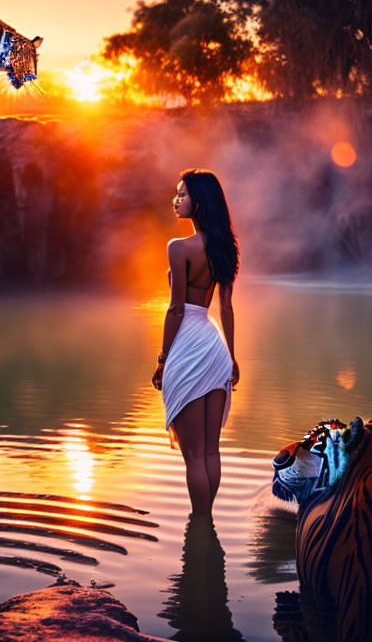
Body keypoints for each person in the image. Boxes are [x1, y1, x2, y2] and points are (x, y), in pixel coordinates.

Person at [152, 168, 240, 516]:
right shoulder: (225, 249)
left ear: (199, 201)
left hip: (187, 346)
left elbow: (175, 309)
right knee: (211, 452)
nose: (176, 200)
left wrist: (162, 359)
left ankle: (199, 523)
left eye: (183, 195)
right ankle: (207, 520)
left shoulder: (178, 248)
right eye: (177, 193)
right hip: (213, 345)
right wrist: (232, 358)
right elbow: (227, 307)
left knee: (194, 456)